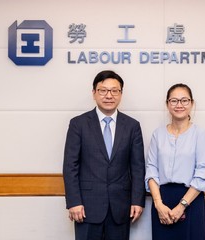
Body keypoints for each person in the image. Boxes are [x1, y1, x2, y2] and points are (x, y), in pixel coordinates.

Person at [63, 70, 146, 240]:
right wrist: (74, 202)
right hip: (85, 207)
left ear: (121, 94)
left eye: (114, 90)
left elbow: (138, 168)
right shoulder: (78, 124)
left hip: (120, 208)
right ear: (94, 93)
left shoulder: (132, 126)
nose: (109, 95)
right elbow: (70, 166)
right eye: (103, 90)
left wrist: (137, 200)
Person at [145, 83, 205, 240]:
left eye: (184, 100)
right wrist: (158, 204)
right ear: (167, 104)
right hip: (162, 202)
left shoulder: (200, 134)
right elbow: (151, 170)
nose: (179, 105)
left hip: (191, 200)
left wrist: (181, 206)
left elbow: (203, 173)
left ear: (192, 103)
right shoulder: (158, 134)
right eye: (174, 100)